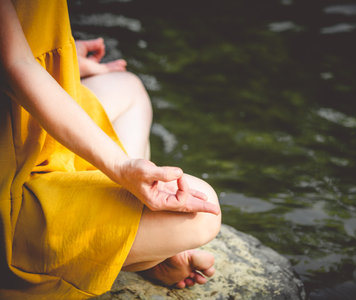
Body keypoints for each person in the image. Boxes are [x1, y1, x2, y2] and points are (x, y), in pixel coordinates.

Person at [0, 0, 221, 298]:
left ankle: (124, 245)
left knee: (128, 88)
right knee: (202, 211)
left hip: (30, 130)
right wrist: (120, 167)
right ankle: (113, 250)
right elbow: (15, 64)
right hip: (12, 171)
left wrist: (61, 58)